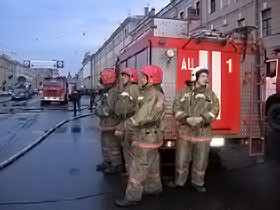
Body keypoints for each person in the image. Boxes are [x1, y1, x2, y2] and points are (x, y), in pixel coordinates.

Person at [116, 65, 165, 207]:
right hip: (153, 135)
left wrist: (126, 125)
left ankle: (132, 197)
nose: (141, 79)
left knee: (139, 166)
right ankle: (154, 188)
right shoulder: (152, 92)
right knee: (153, 162)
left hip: (145, 135)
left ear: (151, 79)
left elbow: (142, 116)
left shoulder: (152, 94)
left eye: (144, 77)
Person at [167, 66, 220, 192]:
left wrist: (202, 118)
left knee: (201, 162)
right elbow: (176, 108)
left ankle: (198, 183)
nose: (206, 78)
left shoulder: (210, 95)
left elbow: (215, 111)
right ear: (195, 77)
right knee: (181, 160)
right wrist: (186, 119)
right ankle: (179, 181)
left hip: (203, 134)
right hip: (185, 133)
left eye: (207, 76)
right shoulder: (183, 93)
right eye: (203, 76)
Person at [114, 68, 140, 175]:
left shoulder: (133, 88)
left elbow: (138, 105)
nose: (123, 77)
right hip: (125, 122)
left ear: (131, 77)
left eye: (125, 76)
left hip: (130, 122)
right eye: (123, 75)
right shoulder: (126, 88)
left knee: (130, 149)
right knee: (126, 147)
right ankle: (129, 171)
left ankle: (133, 173)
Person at [97, 69, 122, 174]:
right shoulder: (108, 91)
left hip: (111, 123)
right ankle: (107, 161)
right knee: (105, 144)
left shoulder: (113, 92)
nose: (101, 83)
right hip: (106, 123)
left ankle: (116, 164)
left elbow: (110, 108)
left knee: (112, 145)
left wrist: (99, 111)